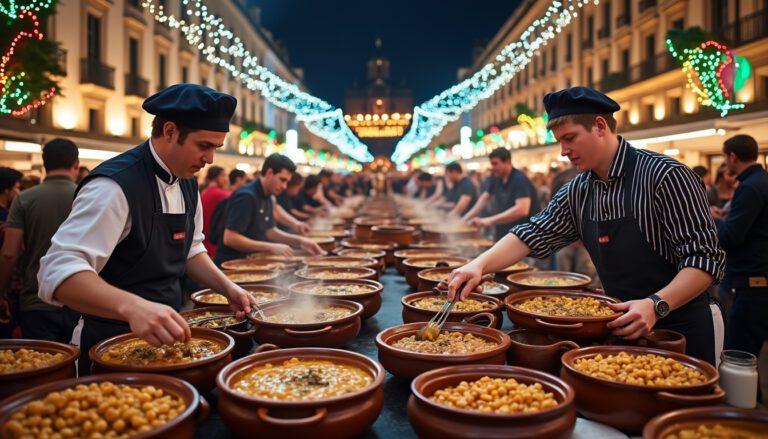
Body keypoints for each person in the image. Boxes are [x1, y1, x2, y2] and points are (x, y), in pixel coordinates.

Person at [448, 87, 725, 364]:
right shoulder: (578, 190)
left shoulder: (666, 176)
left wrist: (656, 304)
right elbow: (532, 234)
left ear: (600, 127)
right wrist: (478, 265)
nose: (563, 151)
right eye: (559, 141)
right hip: (620, 323)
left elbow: (705, 260)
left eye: (569, 138)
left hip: (682, 328)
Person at [37, 84, 256, 373]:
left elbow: (191, 250)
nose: (210, 159)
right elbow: (56, 271)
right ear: (169, 131)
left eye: (215, 148)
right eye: (204, 146)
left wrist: (228, 288)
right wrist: (133, 307)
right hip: (109, 345)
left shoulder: (188, 181)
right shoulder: (113, 186)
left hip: (171, 342)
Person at [1, 139, 81, 342]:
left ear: (45, 164)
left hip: (35, 299)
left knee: (43, 367)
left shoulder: (24, 198)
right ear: (76, 164)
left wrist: (0, 292)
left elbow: (9, 253)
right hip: (81, 300)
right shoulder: (86, 196)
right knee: (80, 368)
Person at [214, 154, 323, 265]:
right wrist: (270, 247)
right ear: (269, 173)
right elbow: (230, 238)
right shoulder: (247, 196)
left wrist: (301, 241)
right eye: (282, 180)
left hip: (251, 263)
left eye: (287, 182)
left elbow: (270, 231)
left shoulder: (269, 196)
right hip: (232, 265)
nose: (284, 186)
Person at [717, 135, 768, 357]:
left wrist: (715, 222)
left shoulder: (749, 187)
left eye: (724, 157)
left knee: (740, 356)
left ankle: (744, 395)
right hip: (759, 279)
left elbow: (732, 236)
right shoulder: (761, 180)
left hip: (751, 284)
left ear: (732, 157)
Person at [461, 148, 540, 242]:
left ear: (507, 162)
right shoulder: (496, 178)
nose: (492, 167)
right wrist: (464, 220)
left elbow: (522, 210)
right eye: (491, 164)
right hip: (504, 234)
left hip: (523, 237)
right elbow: (484, 198)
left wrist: (489, 220)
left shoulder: (519, 179)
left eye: (495, 164)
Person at [0, 167, 23, 338]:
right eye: (16, 187)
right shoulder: (7, 218)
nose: (18, 191)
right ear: (6, 190)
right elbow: (10, 253)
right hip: (7, 283)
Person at [201, 165, 230, 255]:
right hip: (214, 246)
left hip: (203, 243)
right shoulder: (222, 194)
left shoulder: (204, 191)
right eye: (224, 175)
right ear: (218, 177)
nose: (227, 179)